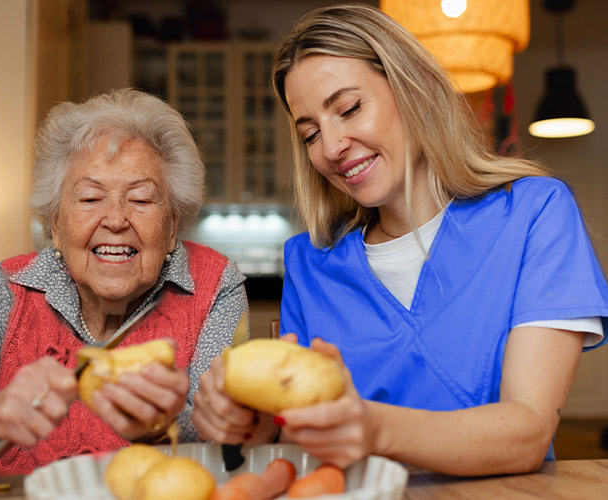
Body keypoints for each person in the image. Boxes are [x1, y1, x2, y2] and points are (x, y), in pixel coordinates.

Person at [192, 3, 608, 476]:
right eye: (309, 134)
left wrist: (373, 427)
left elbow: (527, 432)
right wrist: (252, 423)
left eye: (349, 109)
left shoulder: (534, 214)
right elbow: (298, 432)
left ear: (417, 90)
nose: (330, 149)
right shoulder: (310, 261)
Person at [0, 88, 248, 482]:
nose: (115, 219)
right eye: (90, 198)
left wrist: (161, 422)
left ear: (172, 228)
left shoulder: (215, 287)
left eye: (142, 200)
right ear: (55, 226)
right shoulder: (4, 291)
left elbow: (230, 435)